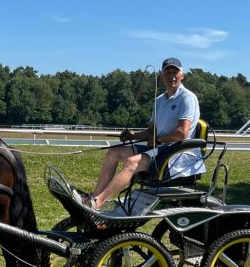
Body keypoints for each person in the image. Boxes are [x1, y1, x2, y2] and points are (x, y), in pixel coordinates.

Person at [75, 57, 204, 210]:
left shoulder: (187, 98)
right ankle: (93, 198)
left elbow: (182, 133)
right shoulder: (159, 100)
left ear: (182, 75)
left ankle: (98, 202)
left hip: (177, 153)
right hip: (159, 148)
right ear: (161, 76)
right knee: (114, 152)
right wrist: (133, 136)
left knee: (132, 162)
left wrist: (157, 140)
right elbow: (151, 131)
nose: (171, 76)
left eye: (174, 72)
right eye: (167, 73)